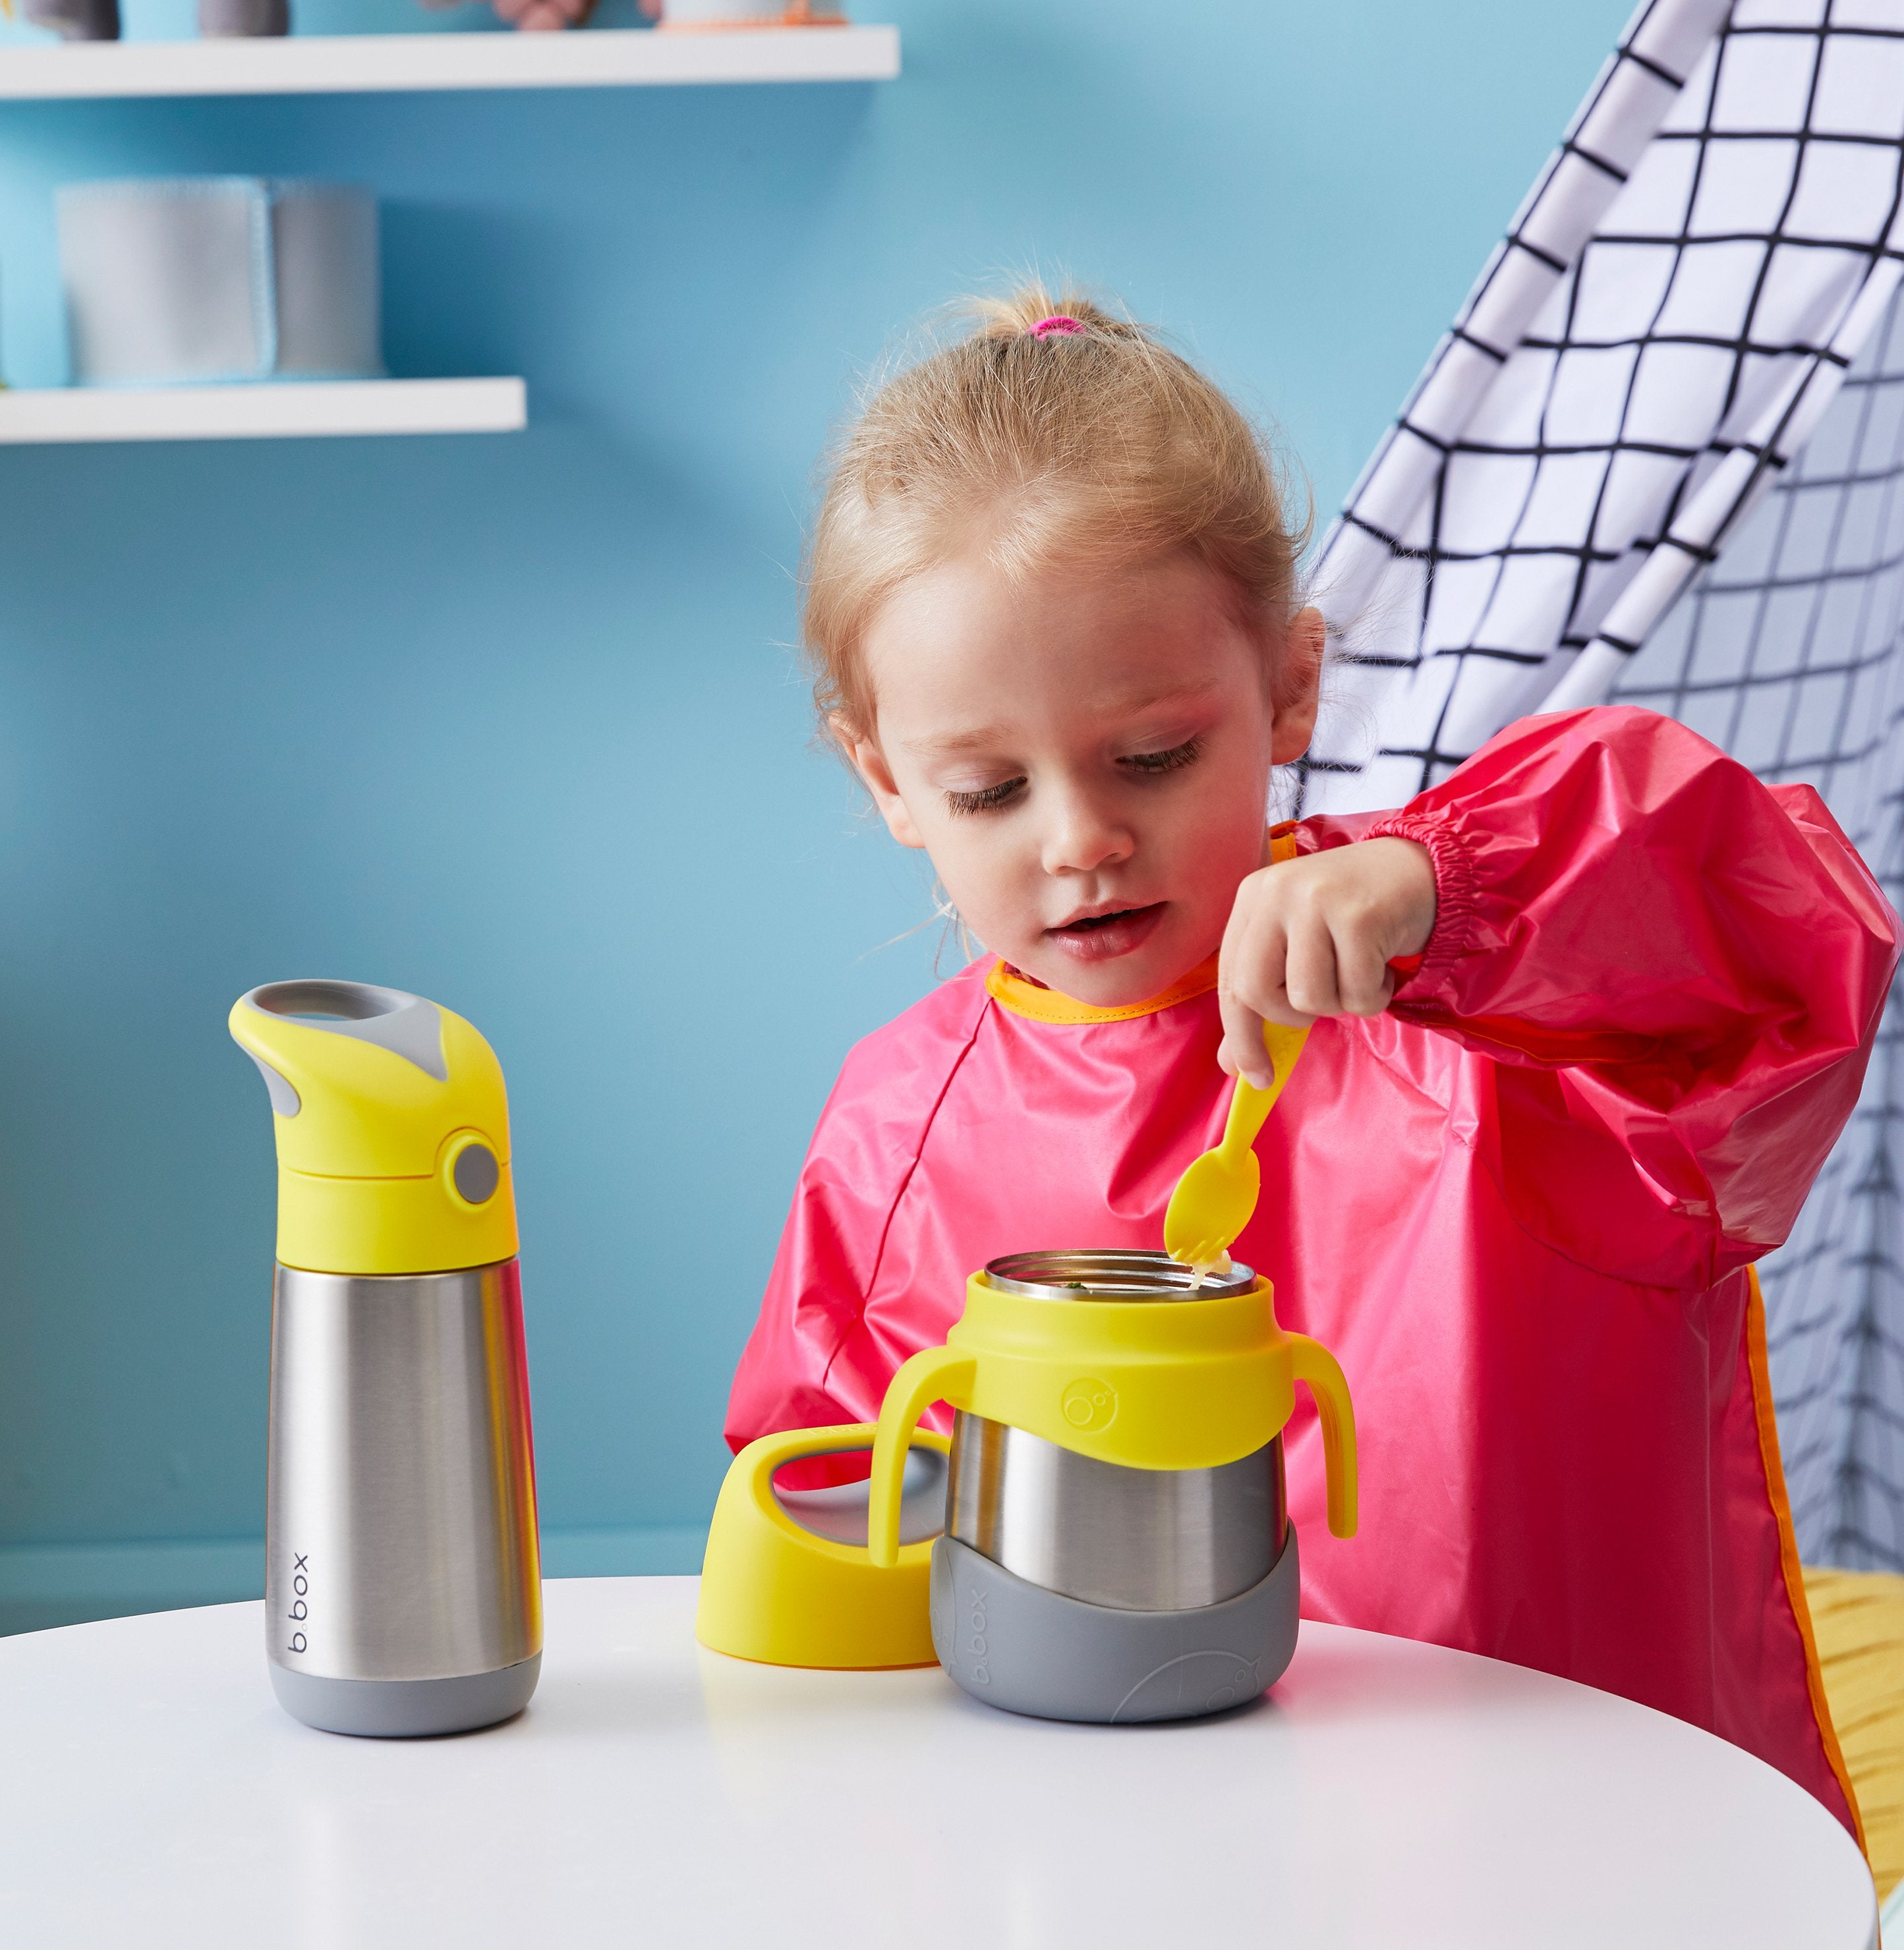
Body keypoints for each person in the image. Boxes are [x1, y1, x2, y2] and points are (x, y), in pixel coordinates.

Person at [724, 289, 1897, 1840]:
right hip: (1127, 1867)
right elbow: (827, 1529)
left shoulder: (1497, 1016)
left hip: (1578, 1847)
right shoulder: (894, 1126)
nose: (1081, 839)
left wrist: (1455, 891)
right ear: (889, 780)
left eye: (1153, 755)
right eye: (992, 788)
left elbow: (1780, 934)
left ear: (1288, 686)